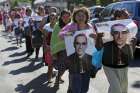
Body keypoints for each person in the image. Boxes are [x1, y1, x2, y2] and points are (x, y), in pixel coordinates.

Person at [59, 7, 96, 93]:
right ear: (74, 17)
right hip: (74, 61)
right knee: (76, 85)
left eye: (83, 15)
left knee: (84, 87)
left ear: (87, 17)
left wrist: (95, 36)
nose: (80, 17)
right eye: (78, 15)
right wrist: (68, 33)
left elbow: (94, 40)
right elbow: (60, 35)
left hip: (87, 61)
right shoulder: (71, 25)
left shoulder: (90, 26)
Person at [96, 23, 136, 93]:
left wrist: (133, 44)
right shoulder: (107, 40)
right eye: (116, 33)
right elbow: (98, 47)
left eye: (123, 32)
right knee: (116, 89)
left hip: (123, 67)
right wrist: (98, 38)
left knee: (122, 88)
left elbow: (131, 56)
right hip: (109, 66)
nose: (120, 36)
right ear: (112, 34)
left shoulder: (128, 41)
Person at [50, 9, 71, 88]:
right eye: (64, 16)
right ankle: (57, 80)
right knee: (62, 67)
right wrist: (54, 53)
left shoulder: (73, 24)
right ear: (61, 17)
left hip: (72, 50)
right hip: (61, 50)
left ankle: (62, 80)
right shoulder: (57, 26)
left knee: (69, 68)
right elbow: (54, 39)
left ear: (70, 16)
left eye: (67, 16)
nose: (65, 18)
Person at [43, 12, 58, 83]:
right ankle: (49, 78)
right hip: (49, 48)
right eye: (51, 18)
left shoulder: (59, 26)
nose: (52, 20)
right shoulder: (46, 26)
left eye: (54, 18)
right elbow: (44, 38)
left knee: (59, 64)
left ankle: (59, 78)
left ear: (56, 19)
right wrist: (45, 47)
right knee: (50, 65)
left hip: (57, 48)